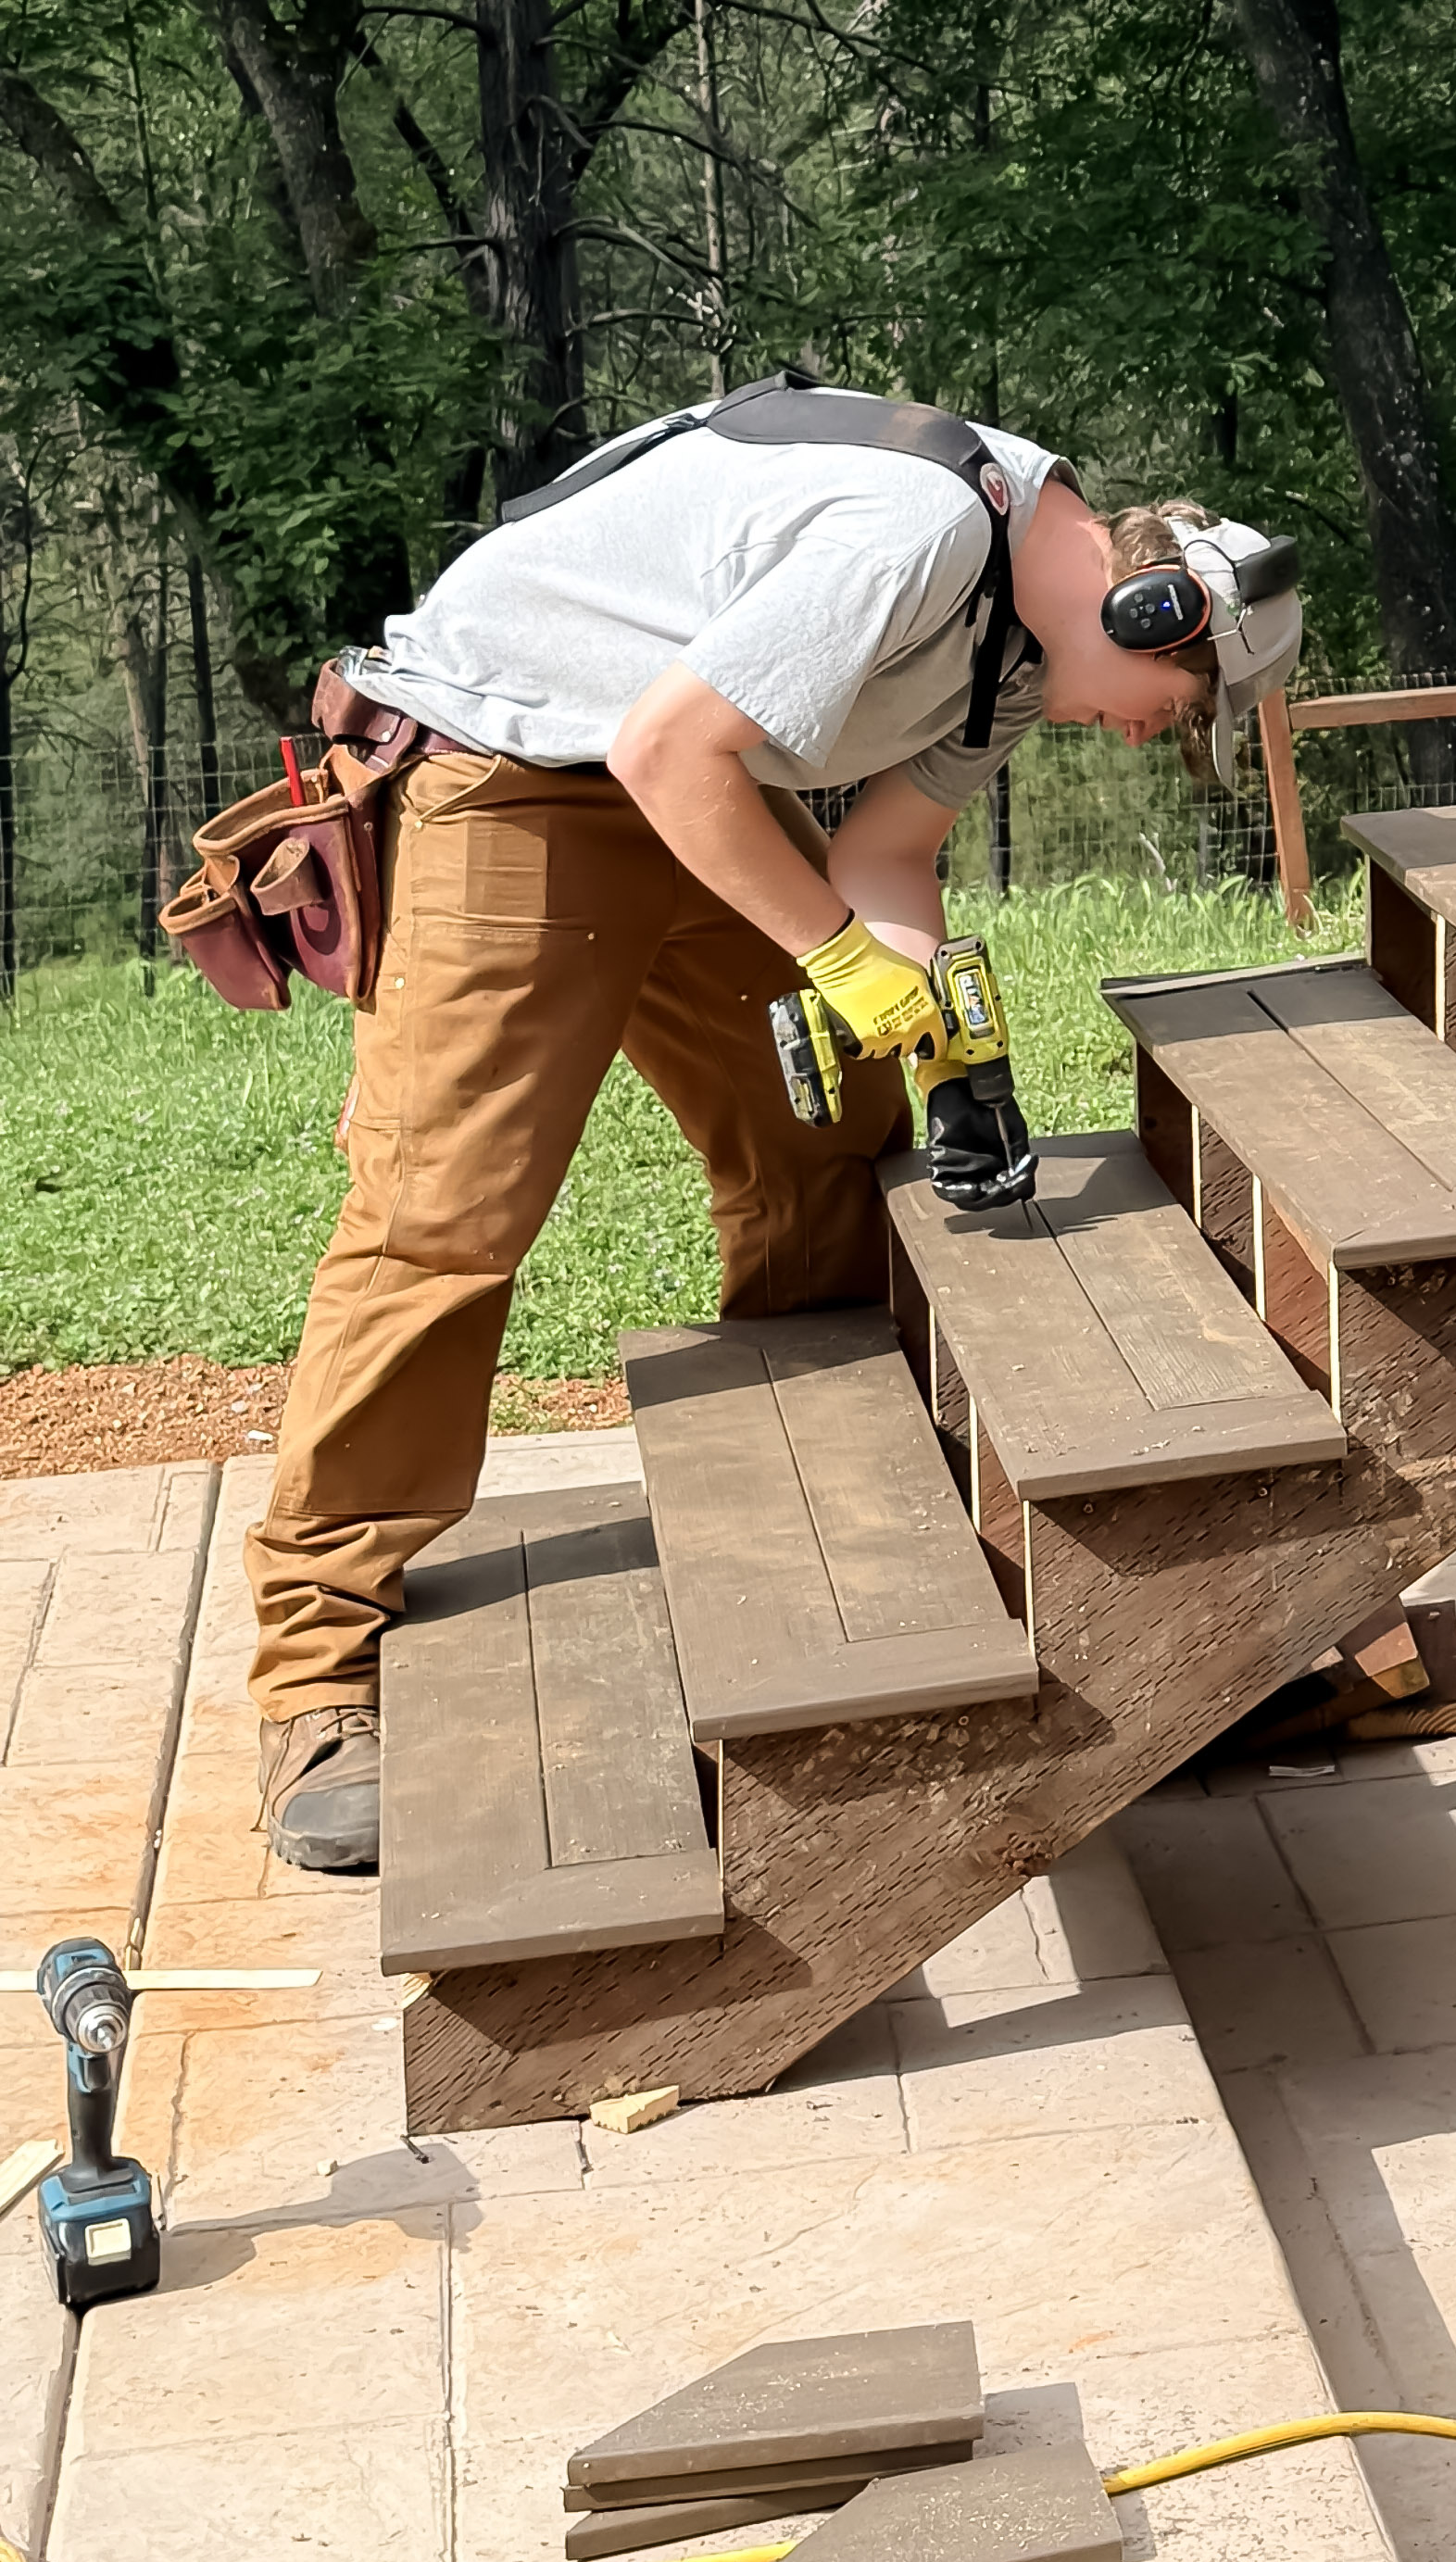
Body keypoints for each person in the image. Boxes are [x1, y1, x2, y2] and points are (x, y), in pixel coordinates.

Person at [248, 385, 1301, 1874]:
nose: (1147, 745)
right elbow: (671, 755)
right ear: (1148, 613)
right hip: (510, 770)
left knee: (834, 1136)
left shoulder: (1008, 659)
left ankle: (823, 1516)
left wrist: (941, 1047)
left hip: (689, 788)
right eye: (1179, 715)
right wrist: (842, 960)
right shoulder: (921, 534)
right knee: (448, 1215)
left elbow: (883, 857)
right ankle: (319, 1671)